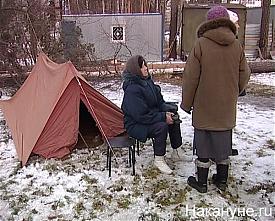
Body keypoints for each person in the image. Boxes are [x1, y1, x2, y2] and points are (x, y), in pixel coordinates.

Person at [181, 6, 250, 193]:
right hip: (226, 106)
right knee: (223, 142)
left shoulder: (201, 44)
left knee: (203, 143)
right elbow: (245, 73)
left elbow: (191, 77)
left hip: (204, 105)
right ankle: (221, 180)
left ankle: (201, 183)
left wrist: (186, 104)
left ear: (208, 22)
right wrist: (234, 91)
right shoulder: (236, 45)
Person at [121, 55, 183, 174]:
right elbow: (141, 116)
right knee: (161, 126)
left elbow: (159, 102)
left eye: (145, 65)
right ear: (135, 70)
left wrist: (168, 111)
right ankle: (159, 159)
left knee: (173, 116)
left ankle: (177, 151)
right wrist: (162, 117)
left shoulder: (147, 82)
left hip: (148, 117)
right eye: (142, 66)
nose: (145, 68)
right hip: (135, 124)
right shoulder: (132, 89)